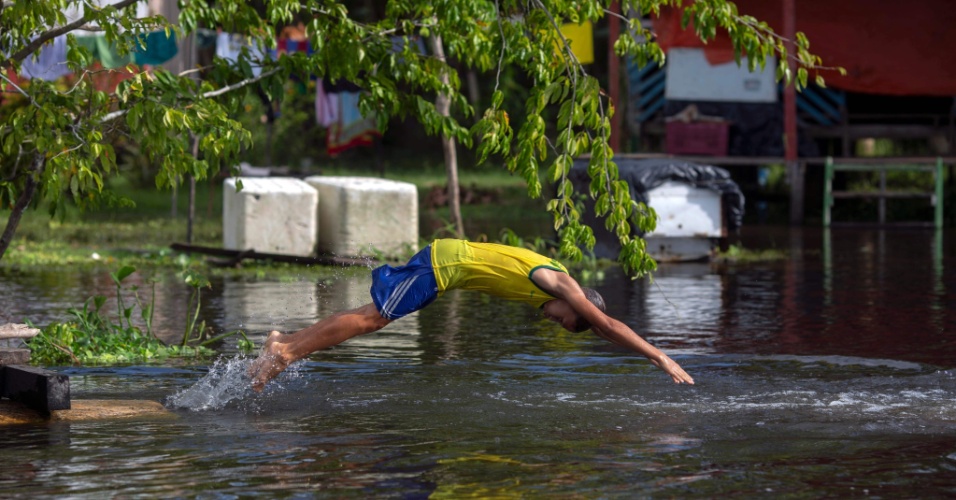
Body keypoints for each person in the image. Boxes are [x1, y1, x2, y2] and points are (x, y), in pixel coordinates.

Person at [249, 239, 694, 391]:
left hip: (446, 271)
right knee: (373, 320)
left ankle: (283, 343)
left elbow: (604, 333)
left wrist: (635, 354)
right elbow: (609, 325)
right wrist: (657, 356)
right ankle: (287, 352)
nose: (551, 320)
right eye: (562, 319)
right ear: (577, 304)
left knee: (373, 316)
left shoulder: (559, 287)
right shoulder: (561, 284)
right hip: (444, 265)